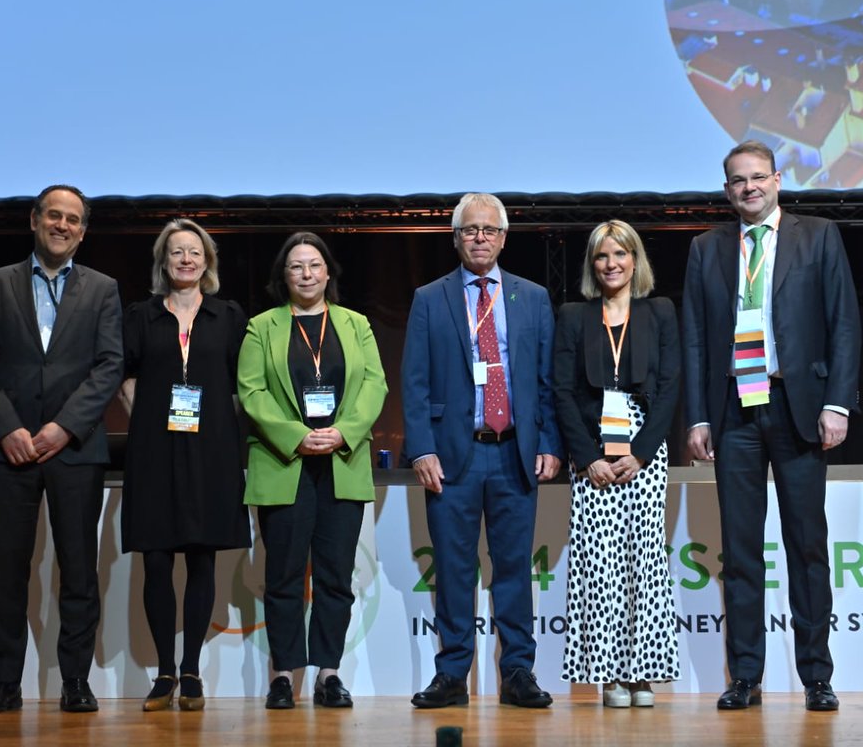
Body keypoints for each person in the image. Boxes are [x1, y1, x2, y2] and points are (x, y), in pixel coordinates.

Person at [683, 141, 860, 713]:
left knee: (807, 546)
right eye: (738, 180)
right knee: (739, 552)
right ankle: (746, 677)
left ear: (778, 180)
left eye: (758, 177)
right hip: (734, 410)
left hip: (798, 405)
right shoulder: (705, 249)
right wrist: (700, 415)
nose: (749, 187)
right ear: (726, 188)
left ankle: (816, 676)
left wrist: (837, 404)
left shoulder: (818, 236)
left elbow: (845, 325)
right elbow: (694, 339)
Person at [0, 184, 124, 714]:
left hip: (74, 451)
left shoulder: (103, 289)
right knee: (8, 570)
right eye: (53, 215)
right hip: (8, 451)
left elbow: (108, 367)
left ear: (83, 231)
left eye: (73, 219)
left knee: (79, 571)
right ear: (34, 221)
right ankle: (5, 683)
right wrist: (7, 428)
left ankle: (75, 682)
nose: (62, 225)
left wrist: (64, 428)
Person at [401, 192, 563, 709]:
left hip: (515, 452)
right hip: (453, 457)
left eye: (489, 230)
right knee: (453, 567)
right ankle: (452, 675)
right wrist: (421, 448)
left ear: (503, 237)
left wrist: (550, 441)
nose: (479, 238)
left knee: (514, 567)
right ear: (455, 238)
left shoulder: (532, 297)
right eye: (469, 230)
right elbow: (415, 381)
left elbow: (546, 379)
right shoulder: (430, 298)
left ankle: (517, 671)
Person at [237, 232, 387, 710]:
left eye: (314, 265)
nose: (306, 273)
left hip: (341, 462)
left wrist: (345, 431)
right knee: (282, 576)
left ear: (328, 273)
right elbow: (251, 391)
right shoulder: (261, 327)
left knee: (335, 577)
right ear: (284, 276)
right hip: (286, 463)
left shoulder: (355, 323)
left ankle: (328, 673)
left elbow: (374, 385)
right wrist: (294, 435)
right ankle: (283, 674)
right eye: (296, 266)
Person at [118, 220, 251, 712]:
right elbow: (125, 377)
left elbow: (244, 383)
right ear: (164, 261)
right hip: (155, 450)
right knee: (155, 559)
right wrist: (149, 420)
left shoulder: (229, 316)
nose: (186, 260)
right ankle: (164, 672)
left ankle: (191, 669)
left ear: (207, 262)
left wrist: (219, 423)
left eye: (194, 252)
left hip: (211, 451)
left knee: (202, 557)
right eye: (177, 252)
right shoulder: (140, 316)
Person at [553, 220, 681, 708]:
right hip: (590, 454)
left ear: (635, 260)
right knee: (599, 564)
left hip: (643, 452)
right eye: (602, 256)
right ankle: (607, 673)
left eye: (620, 255)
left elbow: (670, 387)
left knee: (643, 563)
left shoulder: (661, 312)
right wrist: (586, 458)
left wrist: (642, 452)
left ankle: (641, 673)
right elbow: (561, 390)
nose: (611, 264)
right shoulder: (573, 315)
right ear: (592, 263)